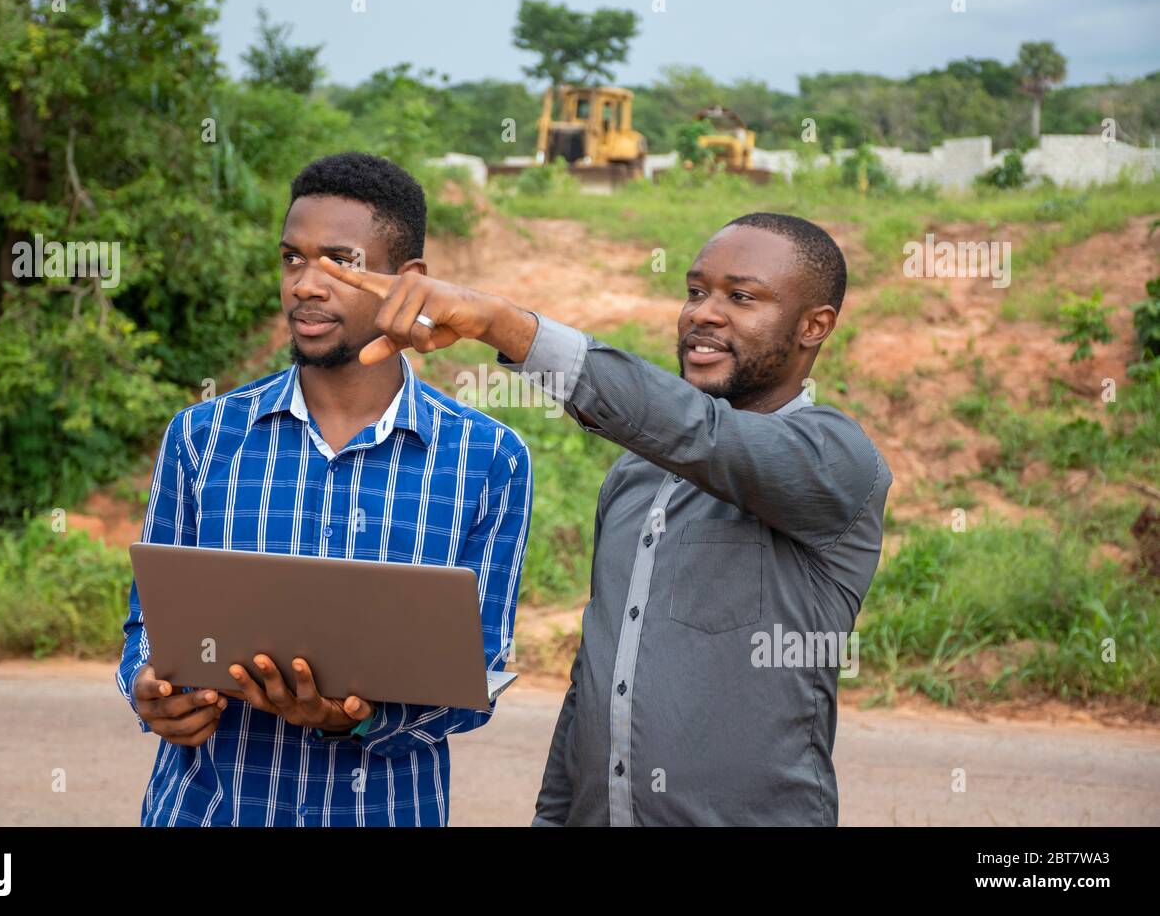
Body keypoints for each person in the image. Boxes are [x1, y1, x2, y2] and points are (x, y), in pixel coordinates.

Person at [320, 211, 892, 826]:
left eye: (742, 297)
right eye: (696, 291)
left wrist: (504, 326)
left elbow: (707, 436)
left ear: (814, 325)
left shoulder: (834, 462)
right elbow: (596, 681)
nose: (703, 312)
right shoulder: (635, 477)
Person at [115, 153, 532, 827]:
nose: (306, 285)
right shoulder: (201, 437)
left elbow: (473, 677)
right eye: (291, 259)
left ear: (408, 282)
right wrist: (147, 689)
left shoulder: (488, 460)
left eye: (339, 261)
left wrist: (353, 721)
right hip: (207, 811)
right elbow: (148, 622)